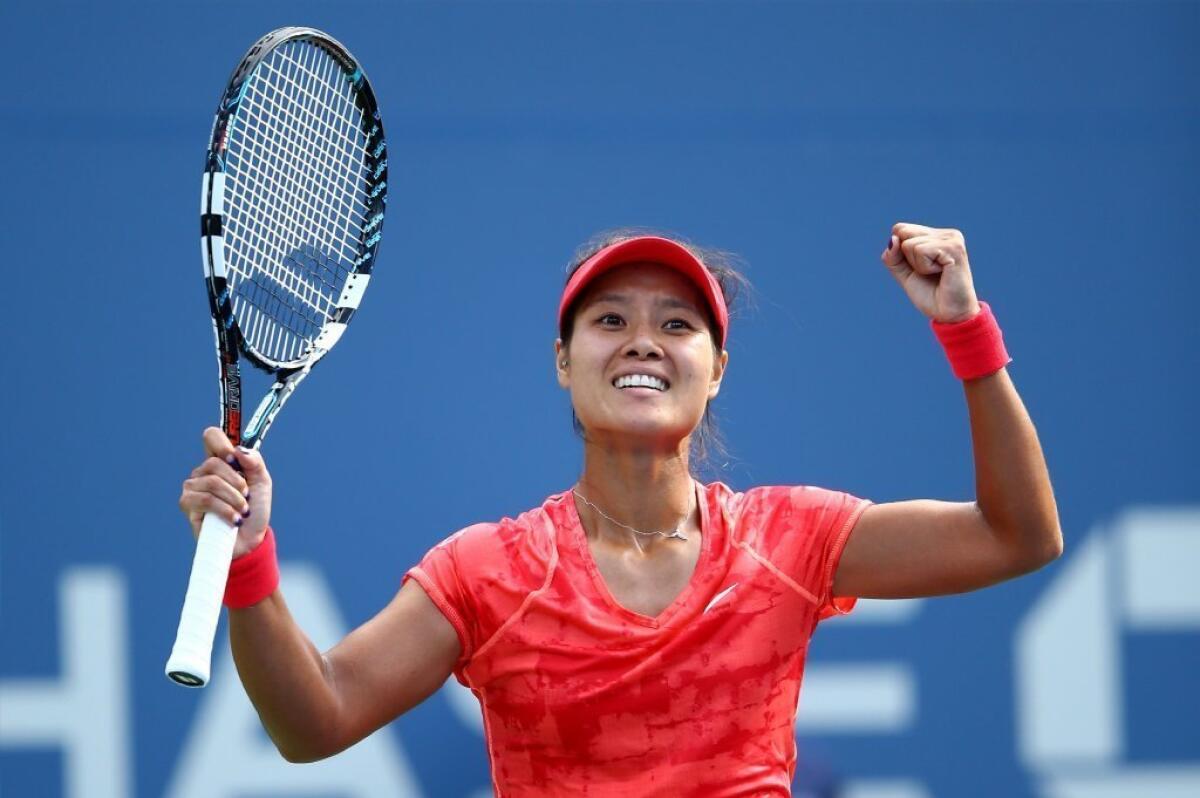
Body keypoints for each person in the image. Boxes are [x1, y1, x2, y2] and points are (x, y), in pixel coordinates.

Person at [178, 223, 1062, 796]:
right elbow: (313, 722)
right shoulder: (490, 571)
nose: (643, 338)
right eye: (609, 319)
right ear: (563, 361)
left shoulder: (789, 537)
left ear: (717, 371)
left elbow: (1016, 536)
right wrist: (251, 562)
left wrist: (966, 328)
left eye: (679, 325)